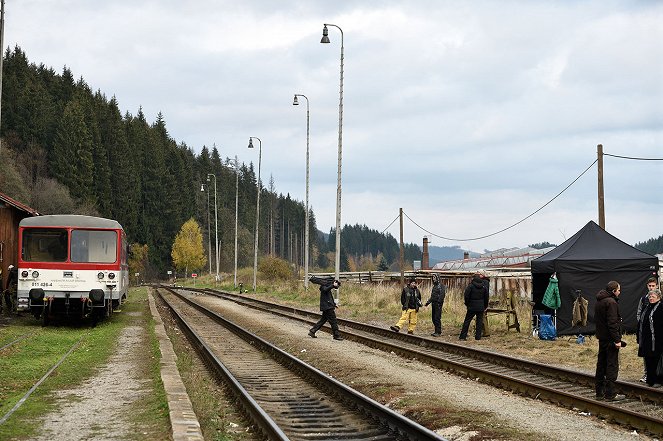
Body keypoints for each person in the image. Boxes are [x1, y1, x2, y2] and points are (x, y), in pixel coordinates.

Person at [594, 280, 625, 401]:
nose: (619, 292)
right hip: (610, 339)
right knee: (611, 365)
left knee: (601, 364)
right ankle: (610, 393)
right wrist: (617, 340)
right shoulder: (611, 303)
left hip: (602, 338)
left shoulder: (599, 301)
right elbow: (612, 323)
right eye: (618, 290)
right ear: (614, 291)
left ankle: (599, 392)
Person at [637, 288, 663, 388]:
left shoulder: (661, 307)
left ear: (659, 298)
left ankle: (658, 380)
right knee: (648, 359)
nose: (651, 298)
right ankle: (650, 379)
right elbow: (641, 323)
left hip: (658, 339)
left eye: (653, 297)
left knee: (657, 360)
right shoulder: (646, 307)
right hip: (646, 339)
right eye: (650, 296)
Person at [459, 272, 489, 340]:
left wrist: (467, 304)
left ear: (474, 279)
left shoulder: (470, 286)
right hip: (481, 307)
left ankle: (463, 336)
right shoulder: (484, 287)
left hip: (471, 306)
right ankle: (478, 337)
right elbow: (486, 297)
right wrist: (485, 306)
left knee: (467, 321)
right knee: (479, 322)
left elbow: (466, 296)